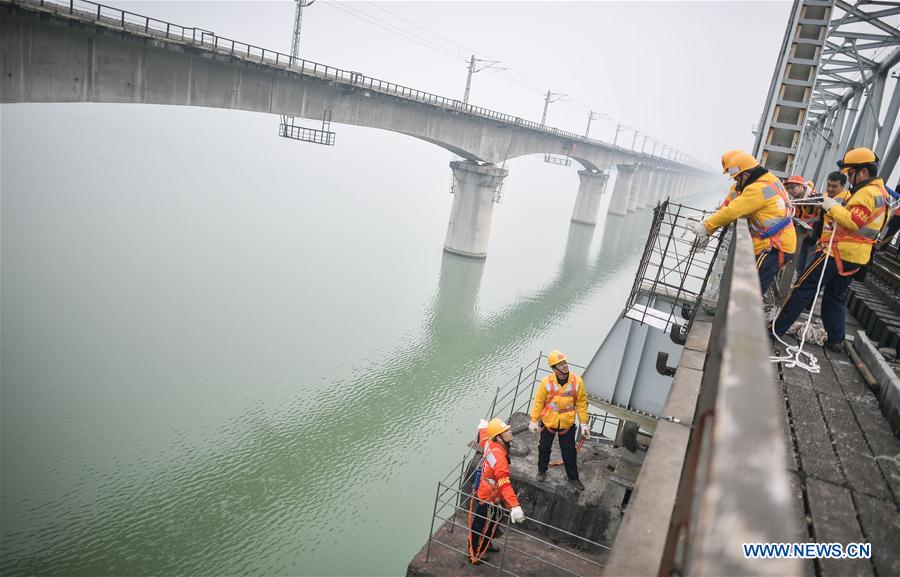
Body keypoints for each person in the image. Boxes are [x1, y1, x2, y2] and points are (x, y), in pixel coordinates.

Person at [773, 148, 890, 351]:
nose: (849, 178)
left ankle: (776, 328)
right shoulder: (883, 194)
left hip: (838, 251)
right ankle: (836, 339)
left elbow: (853, 221)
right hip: (857, 256)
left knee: (803, 288)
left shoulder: (866, 193)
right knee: (835, 296)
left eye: (850, 173)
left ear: (862, 171)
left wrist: (831, 205)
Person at [692, 150, 797, 295]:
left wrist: (706, 227)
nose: (735, 181)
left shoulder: (756, 189)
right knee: (750, 289)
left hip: (774, 247)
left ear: (746, 174)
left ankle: (747, 316)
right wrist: (712, 224)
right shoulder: (768, 179)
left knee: (752, 293)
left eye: (736, 177)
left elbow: (733, 211)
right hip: (776, 243)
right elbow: (731, 202)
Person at [528, 350, 589, 491]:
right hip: (548, 422)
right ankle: (542, 471)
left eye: (565, 363)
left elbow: (581, 403)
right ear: (554, 368)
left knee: (569, 452)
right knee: (543, 448)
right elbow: (539, 401)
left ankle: (573, 477)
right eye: (560, 364)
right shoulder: (546, 383)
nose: (565, 366)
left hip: (566, 424)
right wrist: (534, 419)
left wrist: (584, 423)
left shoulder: (577, 382)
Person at [469, 417, 524, 564]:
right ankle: (474, 552)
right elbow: (505, 483)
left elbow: (484, 438)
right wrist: (515, 506)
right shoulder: (499, 457)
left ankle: (485, 545)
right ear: (499, 438)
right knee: (480, 524)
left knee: (493, 522)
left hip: (491, 492)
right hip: (489, 496)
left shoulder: (491, 444)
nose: (509, 431)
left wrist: (483, 427)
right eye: (506, 431)